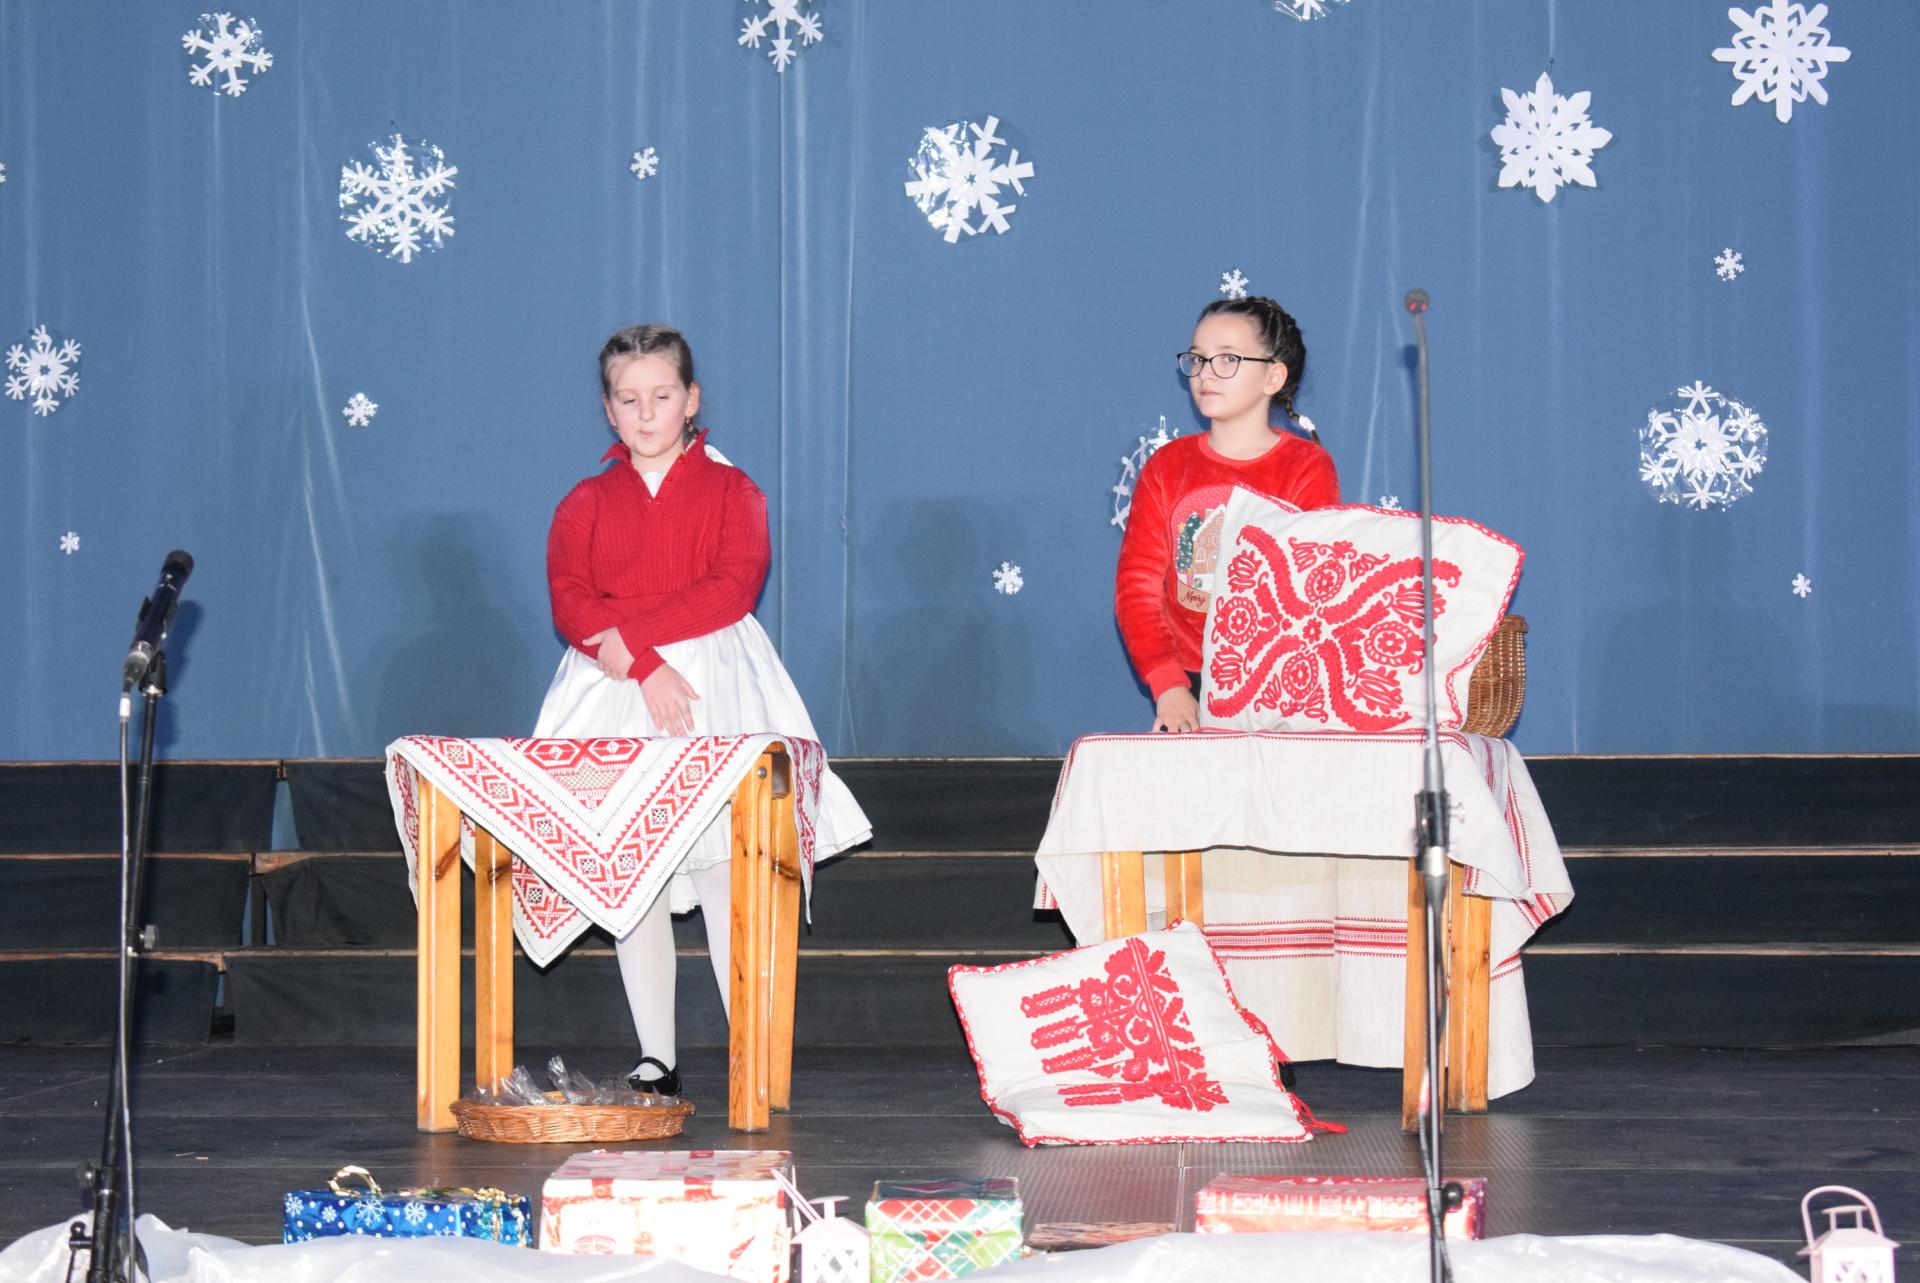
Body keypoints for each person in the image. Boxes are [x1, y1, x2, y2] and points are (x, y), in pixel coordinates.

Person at [539, 323, 871, 1096]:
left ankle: (750, 1046)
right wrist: (637, 663)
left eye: (661, 396)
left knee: (728, 863)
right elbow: (570, 600)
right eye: (628, 400)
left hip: (714, 684)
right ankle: (657, 1053)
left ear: (691, 399)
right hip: (614, 690)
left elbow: (733, 585)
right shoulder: (586, 501)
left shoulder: (733, 490)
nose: (645, 413)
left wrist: (634, 639)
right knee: (634, 870)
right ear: (608, 409)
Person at [1115, 296, 1341, 732]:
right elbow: (1137, 585)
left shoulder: (1306, 467)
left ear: (1273, 376)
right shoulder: (1167, 466)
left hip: (1274, 683)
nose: (1205, 373)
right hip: (1187, 681)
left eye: (1227, 359)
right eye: (1198, 358)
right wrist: (1169, 685)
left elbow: (1312, 589)